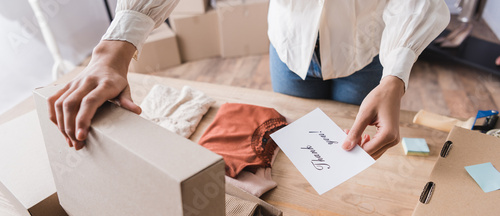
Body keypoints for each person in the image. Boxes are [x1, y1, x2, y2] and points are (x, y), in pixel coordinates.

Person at [48, 0, 450, 160]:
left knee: (350, 152)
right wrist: (114, 49)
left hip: (367, 51)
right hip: (289, 43)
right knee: (292, 144)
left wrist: (394, 77)